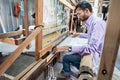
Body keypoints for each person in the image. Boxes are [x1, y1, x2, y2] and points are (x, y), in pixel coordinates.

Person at [55, 1, 106, 80]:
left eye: (79, 14)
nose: (78, 17)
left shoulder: (97, 24)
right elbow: (90, 36)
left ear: (86, 11)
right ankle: (70, 74)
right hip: (92, 55)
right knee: (72, 53)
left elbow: (91, 48)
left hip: (93, 59)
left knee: (66, 57)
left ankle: (69, 77)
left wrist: (68, 47)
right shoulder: (92, 22)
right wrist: (79, 34)